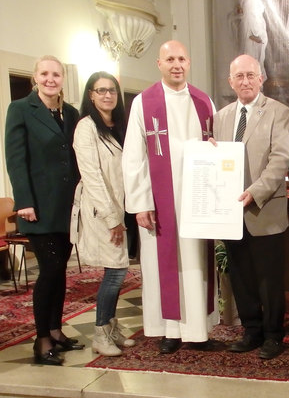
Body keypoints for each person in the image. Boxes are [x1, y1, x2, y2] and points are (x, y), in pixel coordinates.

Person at [122, 40, 219, 355]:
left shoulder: (204, 102)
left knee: (196, 266)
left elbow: (219, 148)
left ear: (188, 62)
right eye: (170, 59)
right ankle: (170, 331)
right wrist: (140, 203)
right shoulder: (143, 102)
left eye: (181, 58)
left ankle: (198, 330)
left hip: (197, 199)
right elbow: (133, 157)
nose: (176, 64)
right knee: (161, 265)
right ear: (159, 63)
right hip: (158, 201)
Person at [212, 54, 289, 360]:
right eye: (239, 77)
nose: (245, 81)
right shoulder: (221, 117)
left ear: (261, 79)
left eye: (250, 75)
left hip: (263, 209)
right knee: (242, 275)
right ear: (230, 82)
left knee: (269, 278)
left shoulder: (278, 112)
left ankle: (273, 335)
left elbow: (280, 159)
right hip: (230, 212)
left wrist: (254, 192)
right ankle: (251, 330)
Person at [5, 55, 84, 365]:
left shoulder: (72, 112)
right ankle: (41, 341)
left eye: (56, 74)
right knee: (49, 271)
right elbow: (15, 158)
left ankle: (56, 330)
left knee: (60, 270)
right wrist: (23, 200)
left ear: (62, 78)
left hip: (67, 206)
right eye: (44, 73)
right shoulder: (21, 109)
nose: (50, 79)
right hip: (36, 206)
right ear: (34, 77)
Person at [71, 71, 135, 356]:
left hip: (120, 207)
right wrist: (113, 219)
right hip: (101, 210)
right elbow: (92, 175)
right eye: (101, 90)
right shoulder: (86, 127)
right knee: (115, 271)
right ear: (91, 95)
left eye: (111, 90)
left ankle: (111, 326)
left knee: (117, 269)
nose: (107, 95)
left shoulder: (119, 125)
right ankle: (100, 333)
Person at [239, 0, 268, 81]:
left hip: (256, 32)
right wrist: (256, 35)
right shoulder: (251, 1)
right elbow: (252, 16)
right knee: (252, 59)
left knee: (257, 60)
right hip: (253, 34)